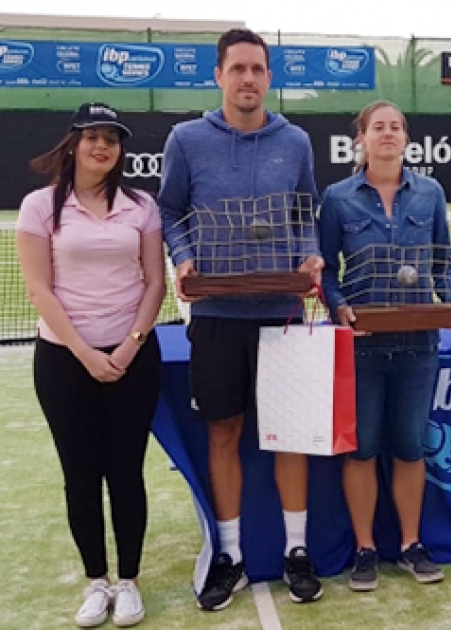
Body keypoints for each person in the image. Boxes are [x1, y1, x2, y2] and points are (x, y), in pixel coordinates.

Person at [158, 28, 324, 610]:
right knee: (224, 432)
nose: (248, 79)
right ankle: (228, 554)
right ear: (219, 77)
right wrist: (184, 259)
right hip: (216, 315)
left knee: (288, 436)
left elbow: (307, 212)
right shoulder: (186, 139)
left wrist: (310, 252)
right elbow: (169, 210)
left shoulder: (296, 141)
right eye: (238, 70)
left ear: (269, 77)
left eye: (258, 69)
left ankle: (296, 550)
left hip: (281, 313)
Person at [16, 103, 164, 628]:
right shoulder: (39, 207)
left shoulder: (141, 206)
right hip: (63, 361)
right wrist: (84, 353)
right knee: (80, 476)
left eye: (112, 139)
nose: (102, 146)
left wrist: (127, 348)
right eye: (93, 136)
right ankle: (96, 582)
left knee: (125, 473)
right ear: (73, 143)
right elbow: (38, 288)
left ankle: (128, 582)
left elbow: (154, 283)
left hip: (133, 359)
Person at [319, 100, 451, 592]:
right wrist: (338, 306)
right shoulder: (338, 198)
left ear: (407, 138)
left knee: (409, 445)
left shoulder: (431, 193)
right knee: (361, 449)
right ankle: (364, 549)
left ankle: (410, 544)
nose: (387, 134)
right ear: (360, 138)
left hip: (418, 344)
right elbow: (326, 271)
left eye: (396, 127)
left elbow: (443, 258)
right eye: (377, 127)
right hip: (360, 346)